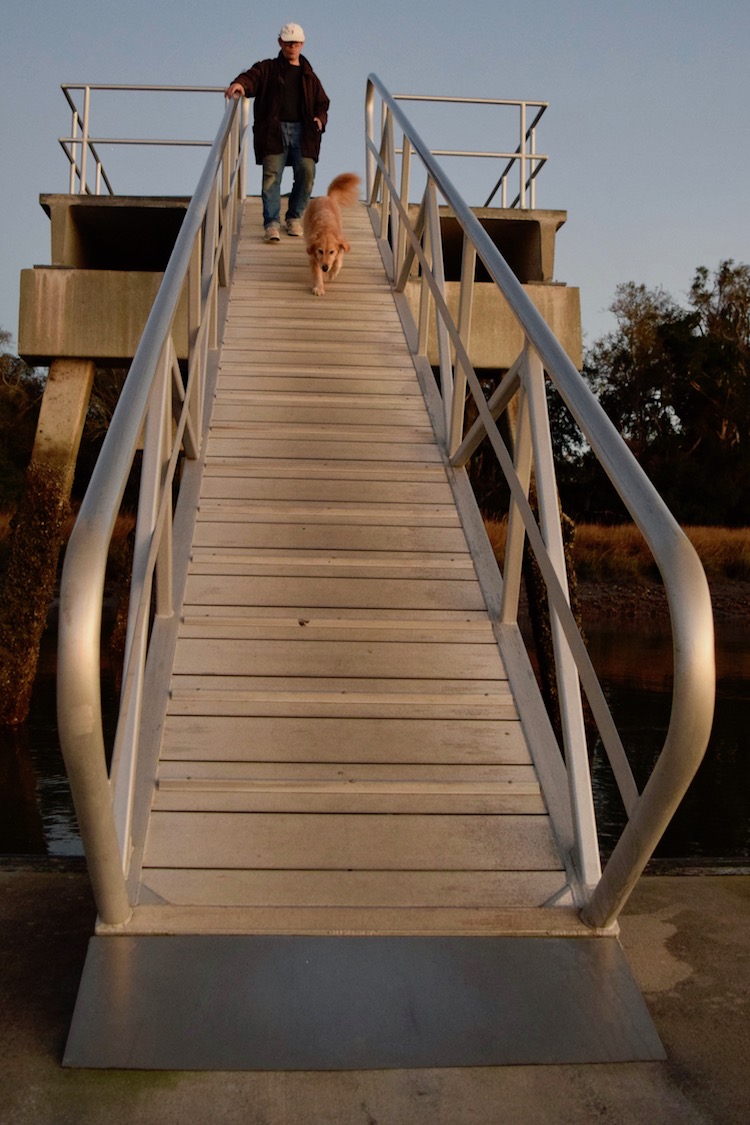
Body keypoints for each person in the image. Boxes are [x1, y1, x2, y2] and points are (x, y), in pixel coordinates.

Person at [225, 23, 330, 242]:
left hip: (304, 132)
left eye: (296, 43)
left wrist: (320, 119)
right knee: (271, 177)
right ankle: (271, 223)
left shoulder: (310, 75)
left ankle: (294, 217)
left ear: (302, 44)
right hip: (273, 131)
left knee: (307, 173)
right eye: (288, 42)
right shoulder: (268, 68)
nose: (292, 46)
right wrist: (239, 84)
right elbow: (251, 77)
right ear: (280, 42)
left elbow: (322, 102)